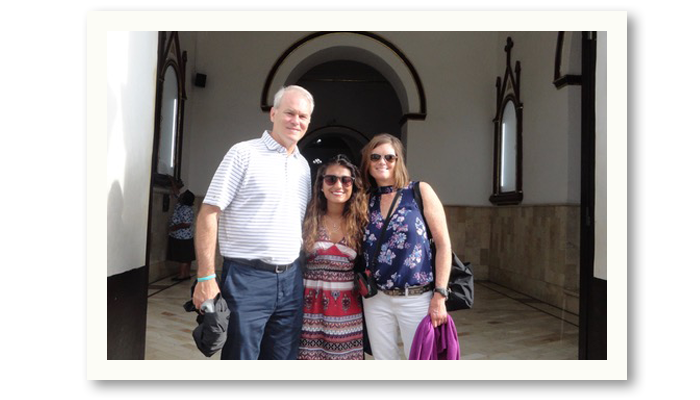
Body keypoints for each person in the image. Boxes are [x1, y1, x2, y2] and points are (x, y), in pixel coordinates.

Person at [192, 85, 314, 360]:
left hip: (292, 281)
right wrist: (206, 276)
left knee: (282, 361)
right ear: (273, 113)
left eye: (303, 116)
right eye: (289, 113)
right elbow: (208, 212)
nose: (296, 121)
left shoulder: (303, 166)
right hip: (247, 280)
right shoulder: (243, 154)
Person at [359, 133, 452, 360]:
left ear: (399, 160)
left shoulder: (419, 192)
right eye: (375, 157)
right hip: (375, 298)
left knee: (420, 361)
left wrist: (440, 295)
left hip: (416, 297)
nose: (382, 162)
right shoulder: (363, 199)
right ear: (368, 163)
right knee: (384, 362)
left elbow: (443, 244)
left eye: (390, 157)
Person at [298, 154, 368, 360]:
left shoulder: (361, 222)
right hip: (308, 308)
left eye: (346, 180)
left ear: (353, 186)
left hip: (347, 311)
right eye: (331, 179)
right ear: (321, 185)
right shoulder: (307, 219)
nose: (339, 185)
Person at [167, 188, 196, 281]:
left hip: (183, 237)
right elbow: (177, 193)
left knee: (183, 257)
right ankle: (186, 274)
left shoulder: (186, 209)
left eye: (183, 195)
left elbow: (186, 223)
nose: (181, 196)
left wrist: (174, 228)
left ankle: (182, 275)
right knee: (186, 256)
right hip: (182, 236)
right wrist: (172, 181)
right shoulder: (180, 205)